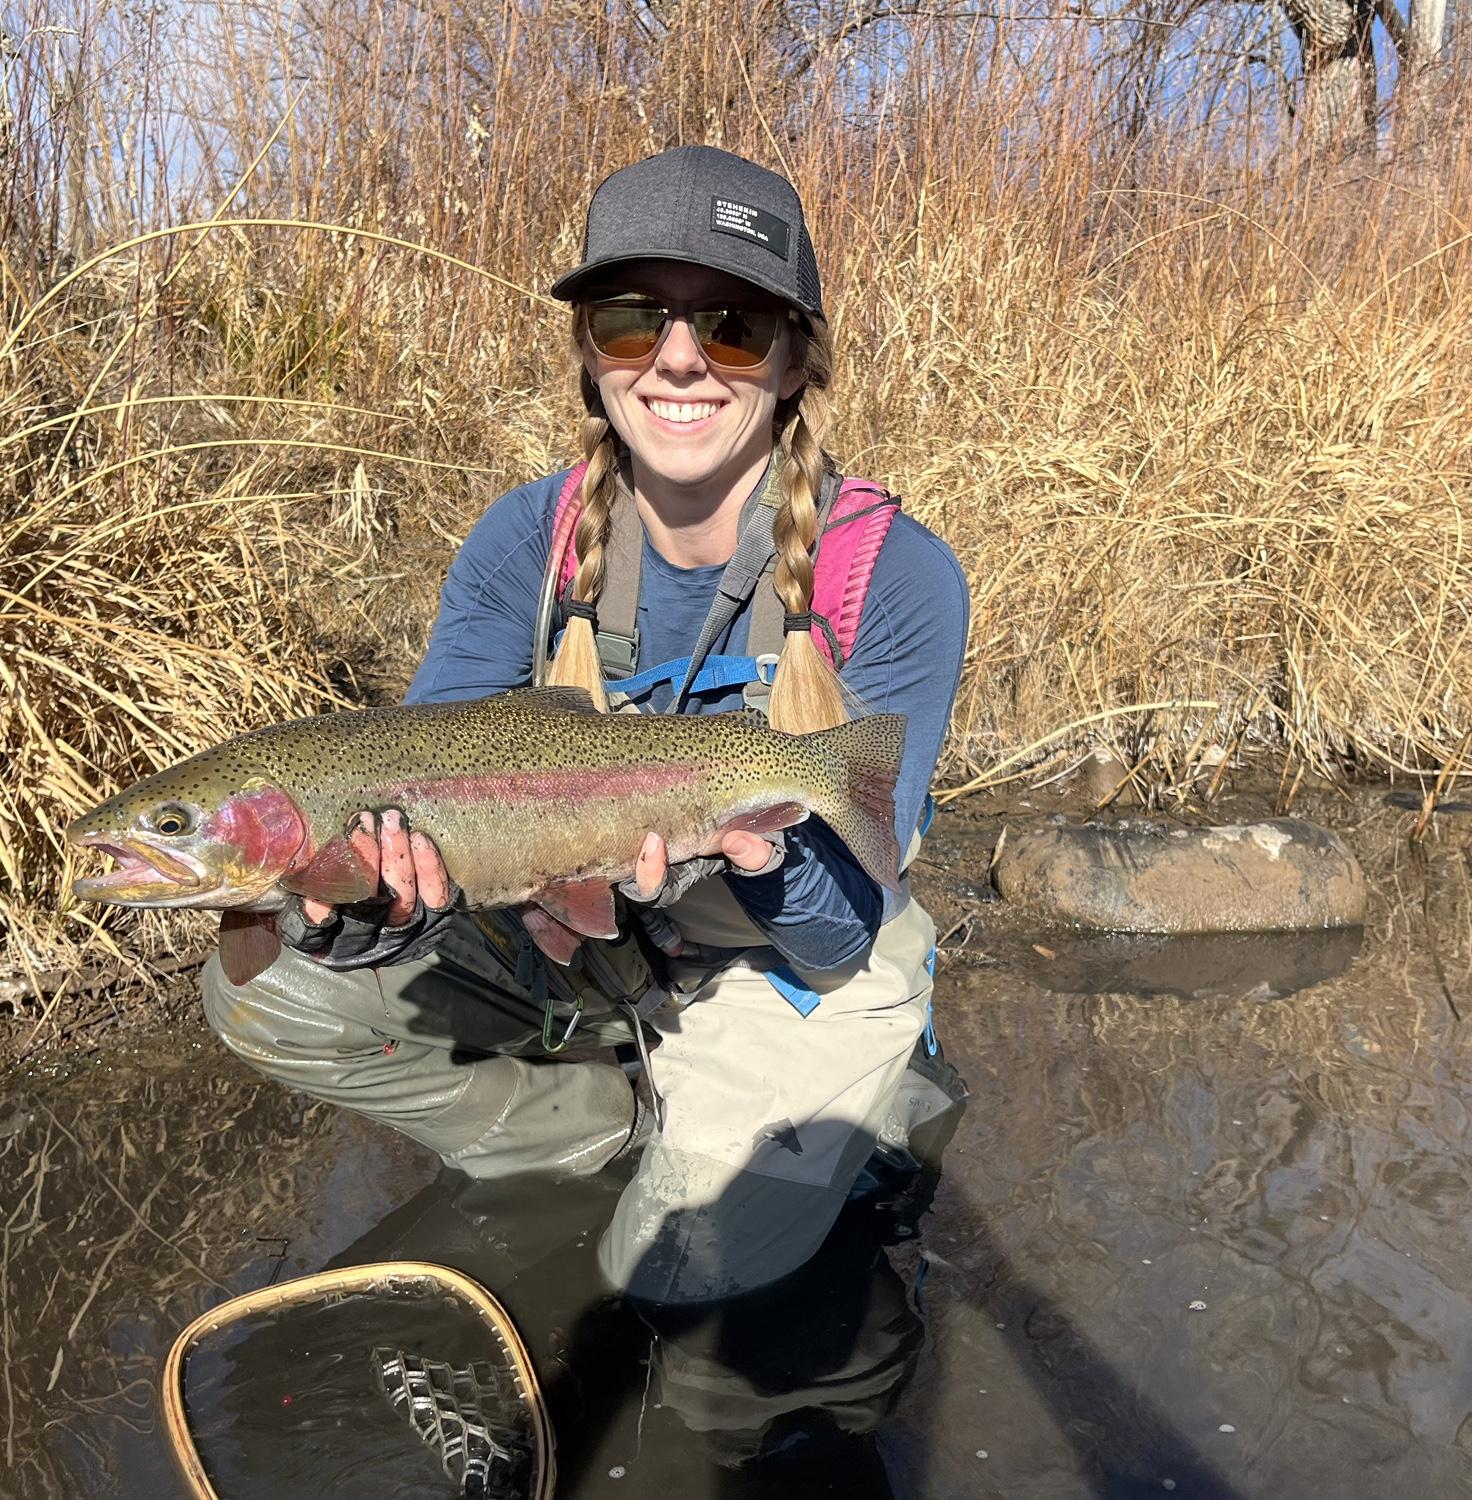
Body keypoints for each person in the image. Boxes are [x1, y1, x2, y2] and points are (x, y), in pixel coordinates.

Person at [201, 146, 970, 1306]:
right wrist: (364, 910)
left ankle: (868, 1117)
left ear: (798, 358)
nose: (675, 360)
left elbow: (834, 937)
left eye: (731, 326)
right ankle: (598, 1131)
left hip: (788, 966)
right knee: (266, 984)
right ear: (587, 355)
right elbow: (431, 801)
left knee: (671, 1284)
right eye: (629, 321)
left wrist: (749, 853)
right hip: (582, 935)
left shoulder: (890, 575)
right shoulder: (527, 542)